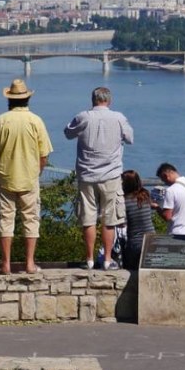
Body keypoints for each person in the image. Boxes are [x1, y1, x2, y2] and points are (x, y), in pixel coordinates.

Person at [0, 78, 53, 275]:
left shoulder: (0, 121)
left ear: (9, 100)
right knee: (31, 220)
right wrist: (36, 172)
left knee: (5, 221)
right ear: (27, 99)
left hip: (6, 177)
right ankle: (30, 263)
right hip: (29, 178)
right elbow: (44, 155)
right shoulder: (36, 121)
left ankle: (6, 264)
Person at [65, 86, 133, 271]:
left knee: (88, 218)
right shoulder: (119, 118)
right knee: (109, 219)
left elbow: (68, 133)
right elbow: (130, 138)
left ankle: (89, 259)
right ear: (109, 101)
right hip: (111, 175)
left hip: (87, 175)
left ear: (93, 100)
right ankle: (108, 259)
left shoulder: (83, 117)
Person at [120, 170, 156, 270]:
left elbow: (122, 223)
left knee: (129, 268)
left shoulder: (124, 201)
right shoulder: (145, 196)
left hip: (135, 242)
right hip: (151, 239)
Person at [155, 163, 185, 236]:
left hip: (177, 233)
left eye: (164, 180)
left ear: (166, 176)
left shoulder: (171, 190)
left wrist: (156, 207)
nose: (165, 183)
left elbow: (167, 217)